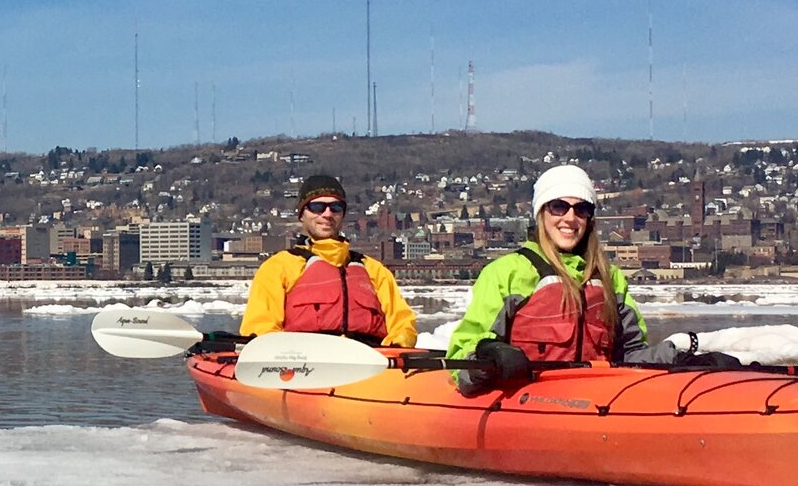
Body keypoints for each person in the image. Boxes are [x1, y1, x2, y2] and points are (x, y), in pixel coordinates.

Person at [445, 165, 648, 391]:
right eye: (559, 207)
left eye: (582, 209)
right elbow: (462, 354)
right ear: (541, 212)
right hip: (527, 404)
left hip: (597, 402)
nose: (571, 218)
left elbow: (634, 354)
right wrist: (489, 353)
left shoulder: (611, 279)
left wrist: (675, 353)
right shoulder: (506, 273)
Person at [239, 173, 421, 348]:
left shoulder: (374, 270)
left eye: (335, 207)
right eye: (317, 207)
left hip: (367, 364)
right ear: (302, 214)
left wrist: (398, 343)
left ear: (342, 214)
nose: (327, 214)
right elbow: (260, 329)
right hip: (303, 367)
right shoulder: (278, 267)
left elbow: (402, 324)